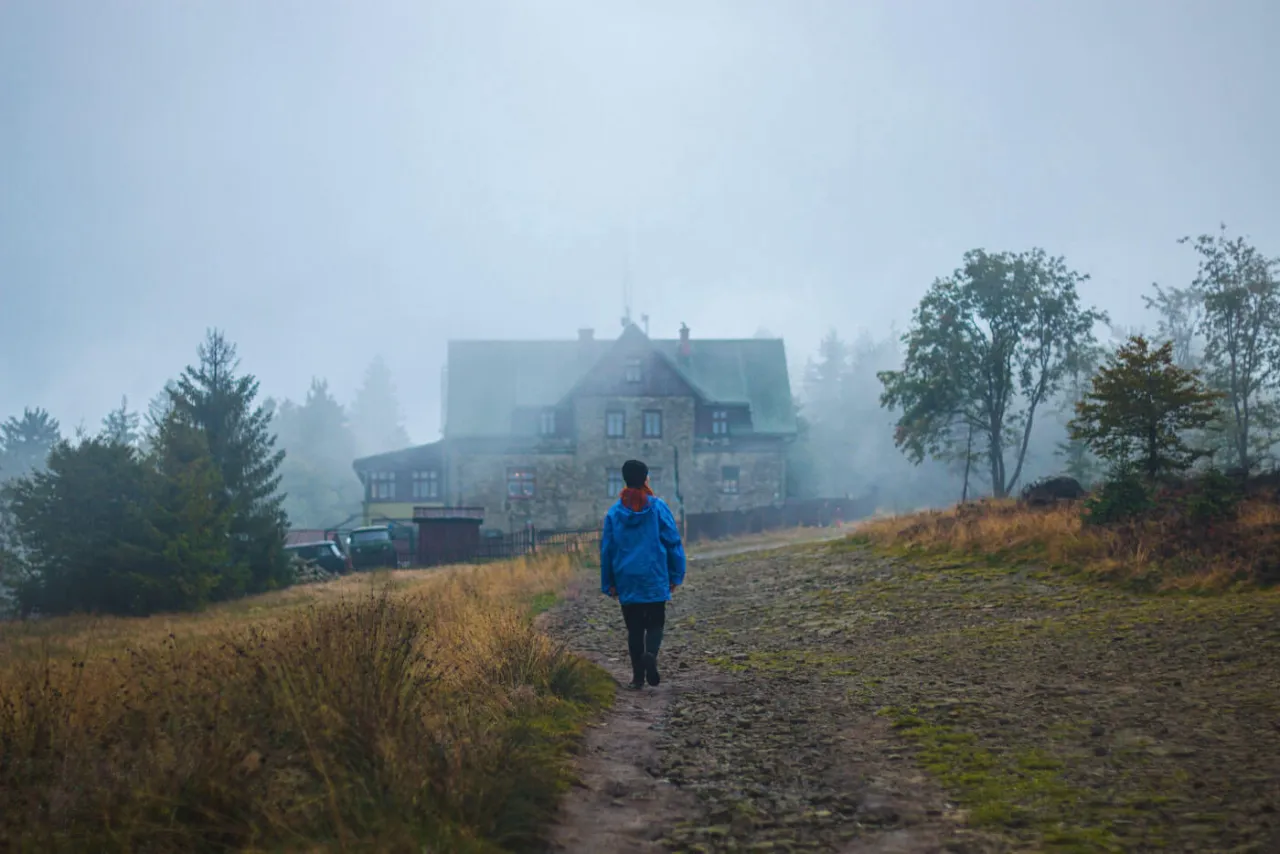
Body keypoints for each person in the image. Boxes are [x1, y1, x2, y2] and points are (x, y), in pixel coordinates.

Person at [600, 458, 686, 689]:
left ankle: (638, 678)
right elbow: (672, 542)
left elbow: (607, 549)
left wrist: (608, 582)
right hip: (654, 574)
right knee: (656, 623)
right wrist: (676, 574)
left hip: (626, 578)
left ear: (625, 480)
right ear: (646, 479)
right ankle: (651, 655)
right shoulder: (658, 507)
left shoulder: (614, 513)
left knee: (635, 628)